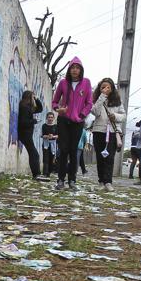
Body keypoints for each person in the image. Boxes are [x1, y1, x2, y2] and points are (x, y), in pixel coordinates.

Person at [51, 57, 94, 190]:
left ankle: (72, 180)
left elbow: (89, 103)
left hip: (77, 122)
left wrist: (82, 115)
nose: (75, 70)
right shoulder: (63, 83)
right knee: (63, 150)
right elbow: (54, 102)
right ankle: (60, 180)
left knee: (73, 151)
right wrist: (59, 109)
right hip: (63, 120)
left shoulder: (86, 83)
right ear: (69, 70)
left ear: (81, 70)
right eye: (72, 68)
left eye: (77, 68)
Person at [90, 78, 126, 191]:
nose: (105, 89)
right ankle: (101, 182)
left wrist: (115, 116)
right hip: (99, 131)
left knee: (110, 157)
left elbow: (123, 116)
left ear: (112, 88)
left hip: (112, 132)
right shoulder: (96, 99)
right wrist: (102, 97)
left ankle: (108, 182)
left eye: (108, 87)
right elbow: (95, 112)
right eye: (103, 87)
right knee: (100, 157)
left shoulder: (117, 102)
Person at [17, 90, 44, 179]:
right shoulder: (24, 107)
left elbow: (40, 109)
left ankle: (36, 174)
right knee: (34, 154)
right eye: (33, 97)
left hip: (26, 134)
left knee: (33, 154)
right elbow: (23, 122)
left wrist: (37, 99)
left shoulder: (27, 107)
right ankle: (36, 174)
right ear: (29, 97)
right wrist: (34, 121)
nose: (34, 99)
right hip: (25, 134)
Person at [41, 112, 58, 177]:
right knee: (45, 159)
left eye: (51, 117)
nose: (50, 119)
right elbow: (42, 135)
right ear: (46, 118)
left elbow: (58, 136)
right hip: (46, 144)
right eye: (49, 117)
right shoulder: (44, 126)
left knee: (51, 159)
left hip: (53, 145)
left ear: (53, 118)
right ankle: (45, 173)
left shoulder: (55, 126)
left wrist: (52, 136)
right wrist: (47, 136)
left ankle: (49, 172)